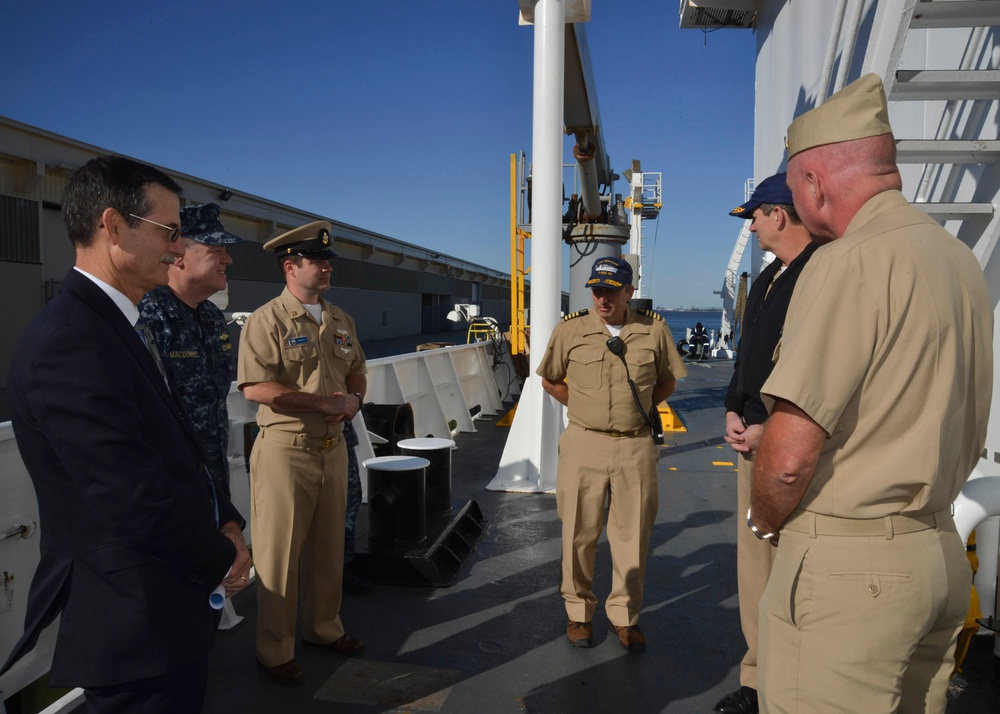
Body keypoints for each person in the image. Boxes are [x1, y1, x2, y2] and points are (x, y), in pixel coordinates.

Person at [750, 74, 992, 712]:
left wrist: (765, 520)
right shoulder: (956, 260)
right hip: (938, 552)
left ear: (814, 183)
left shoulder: (846, 261)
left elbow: (790, 457)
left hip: (852, 576)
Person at [0, 156, 251, 712]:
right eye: (170, 231)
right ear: (113, 227)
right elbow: (130, 498)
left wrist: (226, 518)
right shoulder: (70, 343)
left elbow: (177, 445)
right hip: (137, 626)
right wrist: (221, 554)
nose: (179, 248)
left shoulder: (117, 325)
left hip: (161, 612)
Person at [237, 220, 367, 684]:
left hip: (333, 450)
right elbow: (256, 388)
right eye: (318, 260)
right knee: (278, 555)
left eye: (328, 260)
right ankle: (274, 650)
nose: (328, 266)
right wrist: (322, 404)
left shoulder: (341, 319)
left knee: (329, 549)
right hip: (285, 451)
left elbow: (356, 371)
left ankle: (323, 628)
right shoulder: (266, 320)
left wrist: (353, 401)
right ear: (291, 267)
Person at [538, 256, 688, 652]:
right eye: (597, 289)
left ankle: (625, 617)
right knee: (577, 532)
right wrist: (583, 408)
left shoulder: (653, 329)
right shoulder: (571, 330)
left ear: (628, 291)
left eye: (611, 290)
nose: (602, 298)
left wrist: (634, 409)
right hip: (583, 442)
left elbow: (667, 382)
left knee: (632, 535)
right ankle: (578, 614)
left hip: (635, 444)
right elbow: (550, 380)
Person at [714, 172, 821, 714]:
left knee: (794, 570)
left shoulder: (821, 272)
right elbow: (749, 358)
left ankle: (789, 684)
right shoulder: (766, 279)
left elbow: (815, 368)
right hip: (751, 444)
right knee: (754, 568)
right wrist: (734, 408)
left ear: (779, 213)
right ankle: (757, 680)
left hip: (787, 446)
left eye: (755, 216)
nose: (752, 226)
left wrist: (770, 424)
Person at [138, 203, 243, 498]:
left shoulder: (211, 316)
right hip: (168, 490)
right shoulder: (147, 316)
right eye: (216, 250)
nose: (229, 259)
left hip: (214, 482)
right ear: (178, 256)